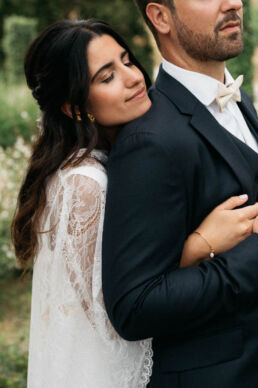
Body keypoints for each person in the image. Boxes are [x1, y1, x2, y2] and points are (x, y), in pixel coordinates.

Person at [11, 18, 257, 388]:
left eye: (127, 61)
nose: (133, 77)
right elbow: (114, 313)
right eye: (106, 77)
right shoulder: (83, 183)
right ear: (74, 108)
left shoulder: (123, 146)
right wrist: (198, 246)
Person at [102, 1, 258, 387]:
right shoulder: (150, 139)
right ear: (160, 17)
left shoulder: (238, 98)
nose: (234, 3)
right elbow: (135, 307)